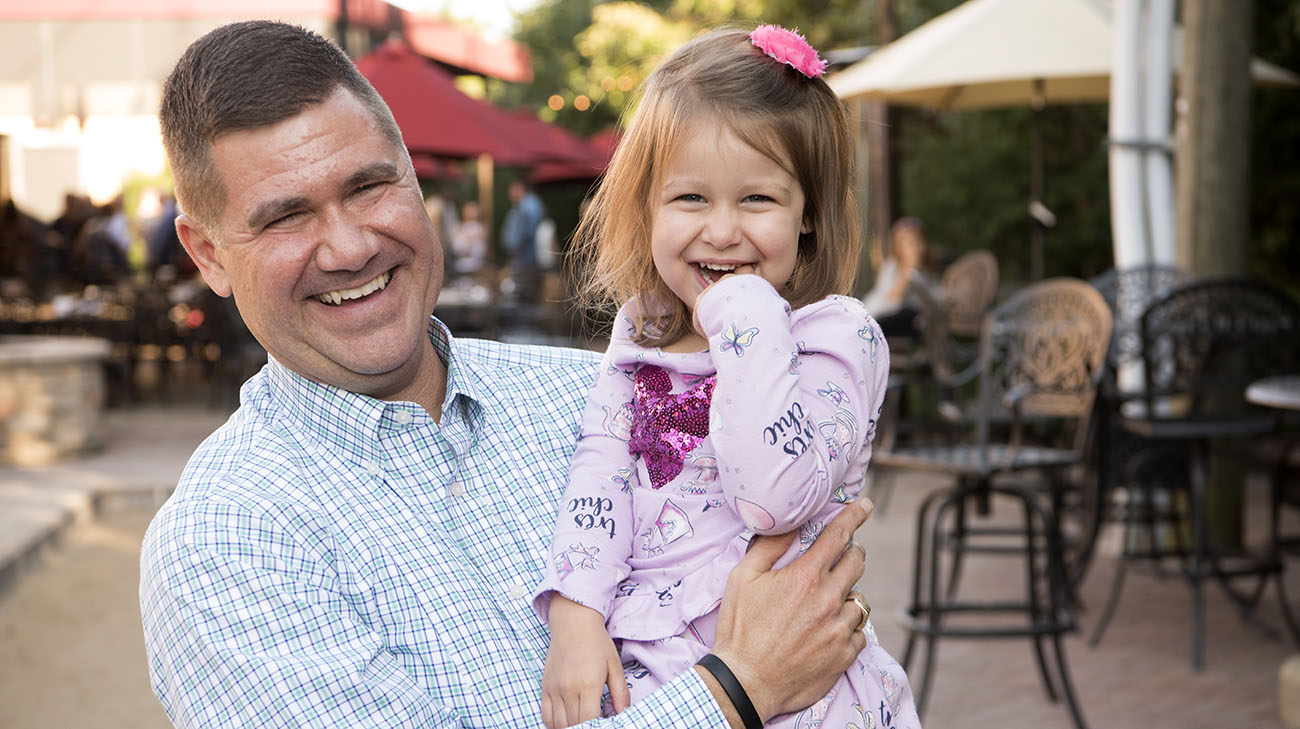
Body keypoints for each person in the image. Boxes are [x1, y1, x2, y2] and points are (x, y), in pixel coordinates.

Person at [139, 20, 877, 729]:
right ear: (206, 255)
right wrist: (741, 689)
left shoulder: (587, 393)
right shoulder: (226, 540)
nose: (348, 246)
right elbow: (772, 655)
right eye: (284, 218)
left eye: (369, 186)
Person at [532, 26, 919, 729]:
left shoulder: (837, 337)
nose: (721, 231)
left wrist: (743, 313)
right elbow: (601, 470)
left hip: (805, 686)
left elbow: (774, 497)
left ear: (807, 213)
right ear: (648, 205)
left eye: (757, 201)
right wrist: (577, 615)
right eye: (690, 199)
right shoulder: (642, 328)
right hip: (659, 666)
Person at [860, 217, 934, 339]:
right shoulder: (892, 267)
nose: (916, 248)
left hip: (909, 320)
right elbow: (893, 298)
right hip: (880, 314)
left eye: (919, 242)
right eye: (910, 244)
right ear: (899, 248)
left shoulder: (927, 271)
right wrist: (909, 269)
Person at [501, 179, 545, 301]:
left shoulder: (529, 205)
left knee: (527, 291)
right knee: (524, 290)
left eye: (512, 190)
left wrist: (517, 247)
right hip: (523, 257)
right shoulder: (523, 205)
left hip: (526, 257)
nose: (510, 194)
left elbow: (528, 232)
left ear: (520, 189)